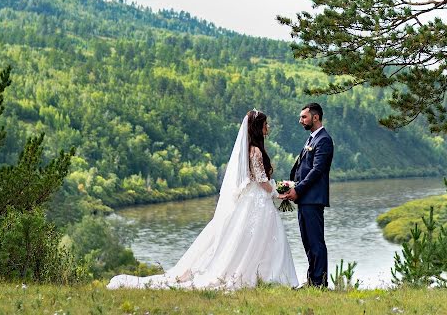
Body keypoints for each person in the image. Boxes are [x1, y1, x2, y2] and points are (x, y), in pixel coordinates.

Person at [107, 109, 298, 290]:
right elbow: (262, 181)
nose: (268, 128)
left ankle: (261, 275)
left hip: (252, 199)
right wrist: (277, 192)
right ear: (258, 127)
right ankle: (265, 276)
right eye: (266, 124)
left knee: (251, 239)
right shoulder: (255, 151)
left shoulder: (248, 149)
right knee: (259, 239)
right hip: (258, 200)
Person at [280, 102, 334, 288]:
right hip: (305, 198)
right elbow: (303, 168)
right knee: (308, 242)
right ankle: (312, 280)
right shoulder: (312, 138)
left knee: (316, 242)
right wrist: (291, 185)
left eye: (304, 117)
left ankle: (320, 283)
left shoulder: (324, 139)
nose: (300, 120)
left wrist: (298, 189)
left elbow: (317, 170)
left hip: (313, 198)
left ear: (315, 117)